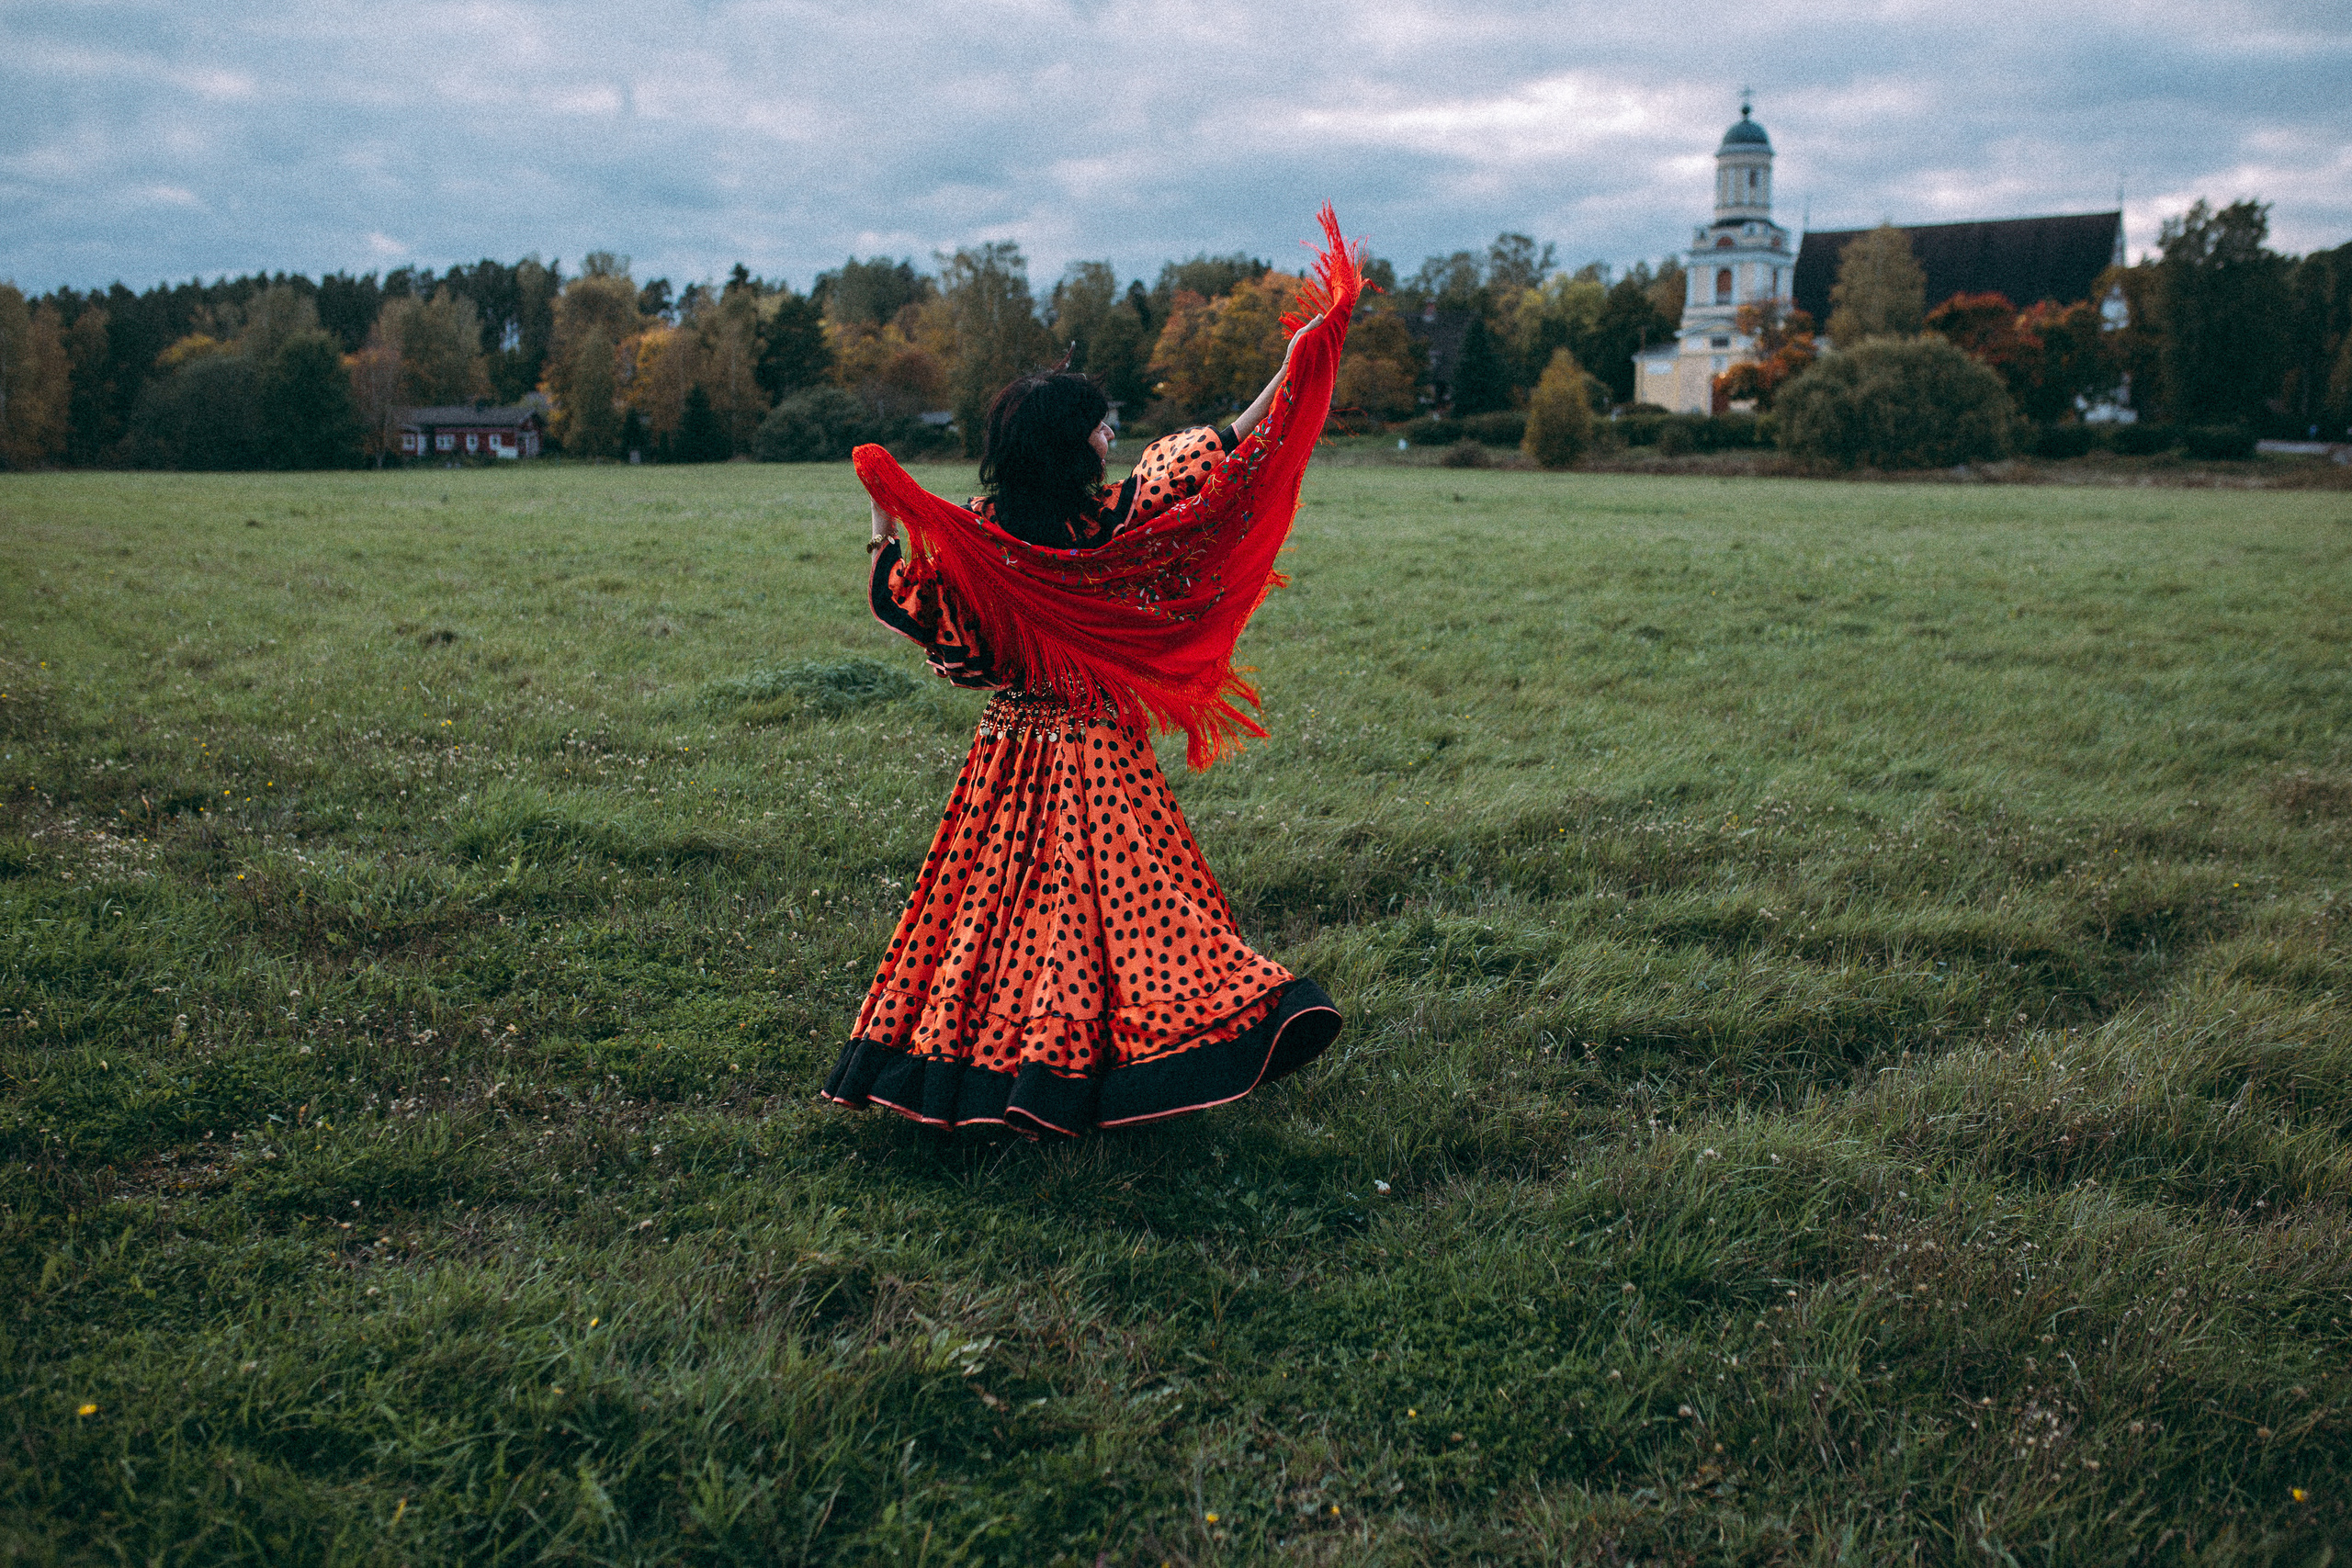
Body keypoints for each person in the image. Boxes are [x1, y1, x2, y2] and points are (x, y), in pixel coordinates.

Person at [821, 209, 1362, 1139]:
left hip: (1010, 749)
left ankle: (998, 1072)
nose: (1112, 434)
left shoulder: (979, 543)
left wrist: (883, 519)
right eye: (1101, 426)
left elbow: (899, 604)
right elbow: (1229, 452)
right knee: (1130, 906)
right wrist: (1294, 362)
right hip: (1098, 754)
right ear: (1076, 447)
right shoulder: (1113, 525)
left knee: (997, 907)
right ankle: (1114, 1061)